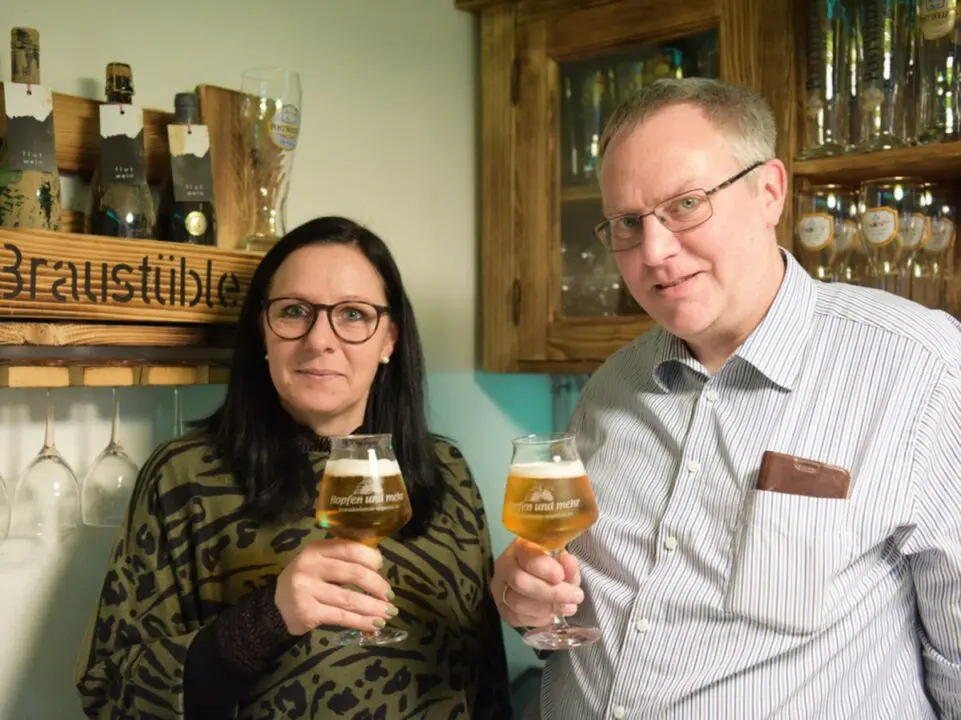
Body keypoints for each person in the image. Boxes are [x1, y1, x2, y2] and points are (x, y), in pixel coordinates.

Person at [493, 78, 961, 719]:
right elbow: (577, 608)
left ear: (769, 192)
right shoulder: (608, 388)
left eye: (686, 204)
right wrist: (529, 601)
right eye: (628, 222)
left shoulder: (924, 368)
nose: (654, 251)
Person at [75, 216, 512, 719]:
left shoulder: (447, 471)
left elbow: (486, 682)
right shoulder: (183, 477)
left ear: (389, 339)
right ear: (263, 331)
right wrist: (266, 621)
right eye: (294, 311)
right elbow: (109, 692)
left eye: (353, 314)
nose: (319, 339)